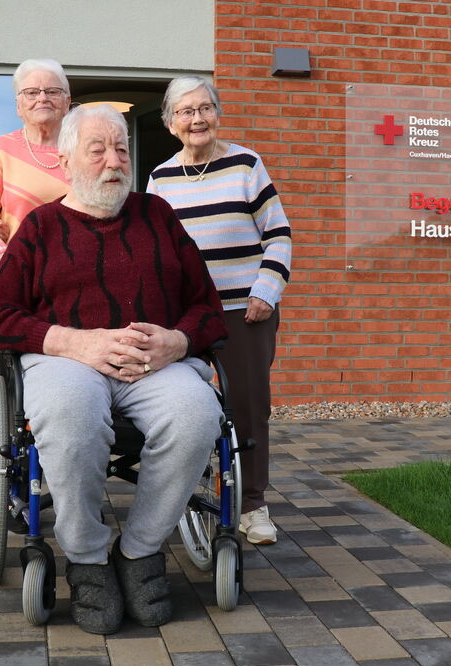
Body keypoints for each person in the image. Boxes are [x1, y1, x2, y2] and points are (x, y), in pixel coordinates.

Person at [0, 105, 228, 635]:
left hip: (151, 360)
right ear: (66, 160)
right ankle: (87, 557)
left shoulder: (157, 215)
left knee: (196, 413)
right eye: (98, 150)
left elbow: (207, 308)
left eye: (122, 150)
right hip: (66, 359)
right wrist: (71, 342)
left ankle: (139, 552)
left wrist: (177, 341)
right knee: (69, 416)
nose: (114, 162)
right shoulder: (41, 228)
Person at [147, 76, 292, 546]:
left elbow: (278, 234)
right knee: (183, 407)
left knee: (248, 408)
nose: (197, 119)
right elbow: (156, 254)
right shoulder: (160, 178)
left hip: (243, 312)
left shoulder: (246, 164)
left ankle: (253, 505)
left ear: (217, 113)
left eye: (205, 108)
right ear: (170, 123)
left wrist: (265, 291)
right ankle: (188, 495)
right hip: (187, 318)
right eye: (186, 112)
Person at [0, 58, 71, 272]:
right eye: (31, 92)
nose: (42, 98)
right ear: (19, 106)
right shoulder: (1, 150)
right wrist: (1, 258)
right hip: (13, 277)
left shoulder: (84, 151)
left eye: (52, 91)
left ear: (67, 103)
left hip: (70, 277)